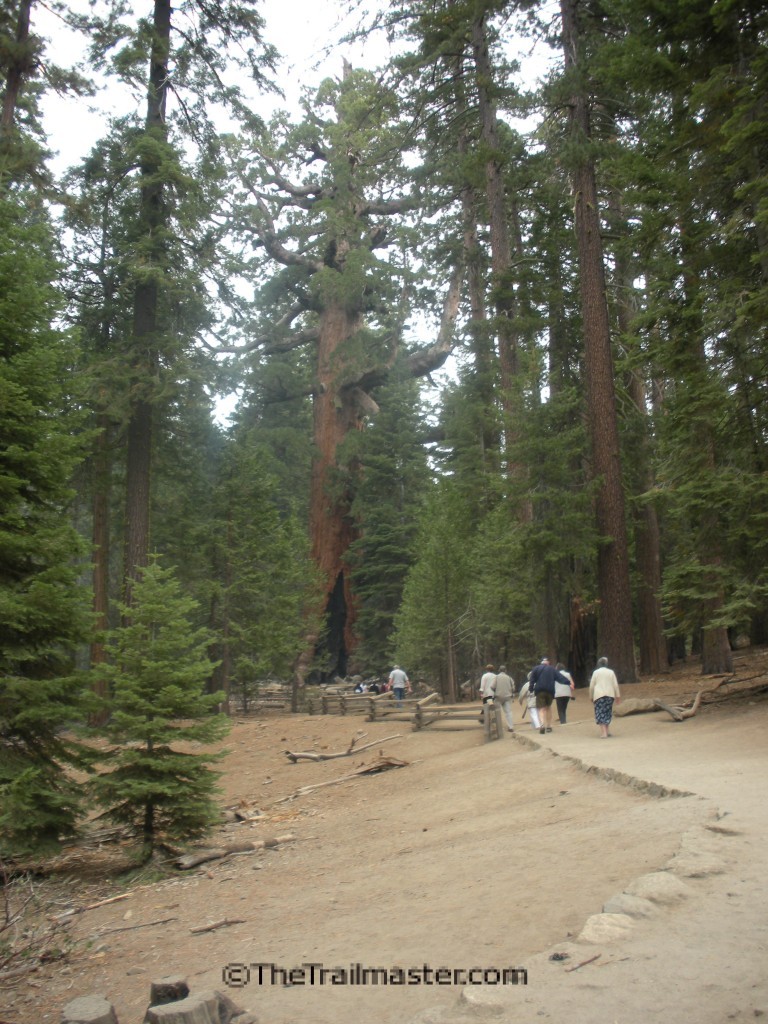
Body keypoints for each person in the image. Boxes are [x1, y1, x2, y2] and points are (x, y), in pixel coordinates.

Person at [529, 657, 572, 735]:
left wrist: (531, 689)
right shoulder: (552, 669)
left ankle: (542, 724)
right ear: (547, 662)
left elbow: (532, 680)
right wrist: (568, 682)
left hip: (540, 691)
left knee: (541, 709)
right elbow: (560, 677)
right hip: (550, 690)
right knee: (548, 707)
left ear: (541, 662)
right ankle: (548, 726)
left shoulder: (536, 669)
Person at [589, 656, 621, 738]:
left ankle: (604, 733)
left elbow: (592, 686)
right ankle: (607, 731)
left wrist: (591, 696)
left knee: (600, 712)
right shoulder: (611, 672)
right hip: (610, 695)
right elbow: (615, 685)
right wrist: (618, 697)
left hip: (599, 695)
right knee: (607, 712)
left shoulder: (596, 672)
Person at [490, 664, 516, 732]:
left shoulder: (496, 677)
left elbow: (492, 686)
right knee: (508, 712)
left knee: (496, 712)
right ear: (505, 670)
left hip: (498, 697)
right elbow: (513, 688)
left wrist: (496, 691)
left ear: (499, 670)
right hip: (507, 697)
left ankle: (497, 727)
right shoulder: (509, 678)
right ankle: (511, 727)